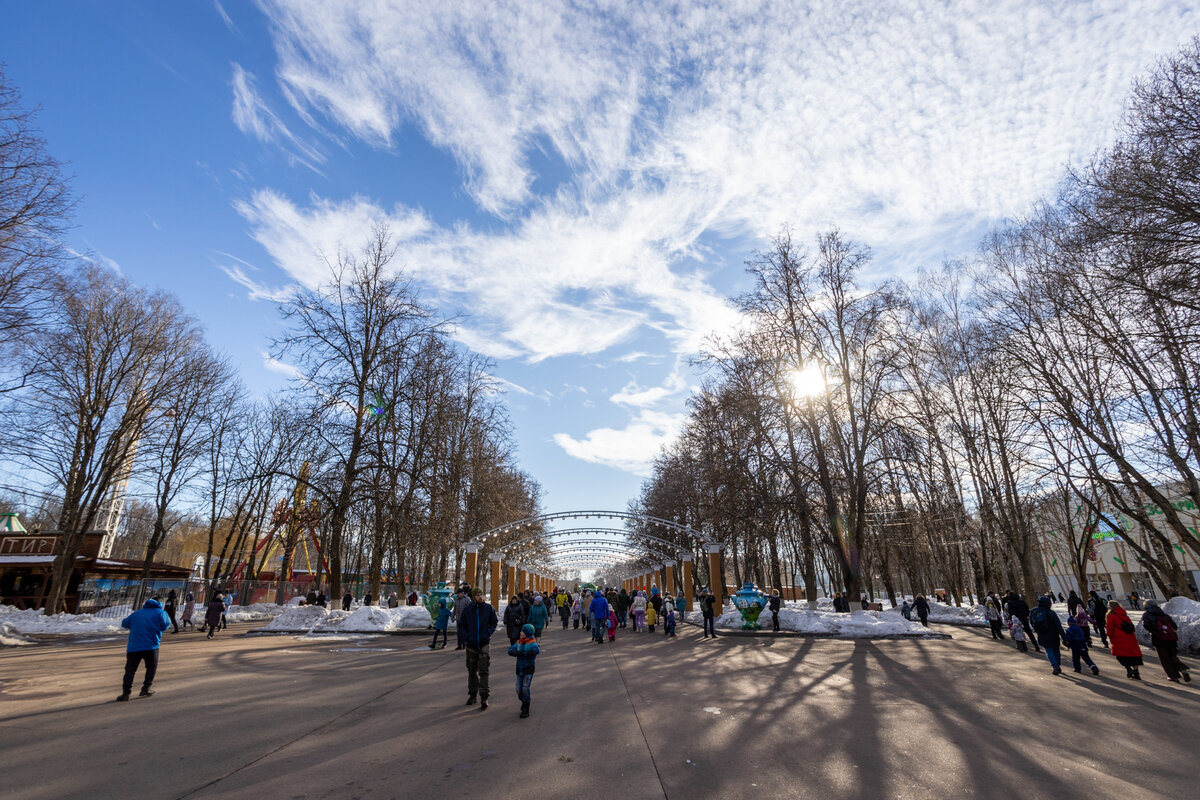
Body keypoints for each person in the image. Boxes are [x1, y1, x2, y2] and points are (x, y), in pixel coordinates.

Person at [117, 597, 171, 701]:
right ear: (159, 603)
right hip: (151, 646)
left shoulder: (137, 613)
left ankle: (126, 693)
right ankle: (146, 688)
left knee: (130, 670)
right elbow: (165, 625)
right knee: (151, 667)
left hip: (134, 646)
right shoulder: (161, 613)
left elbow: (124, 623)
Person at [458, 587, 498, 709]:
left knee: (484, 671)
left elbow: (494, 622)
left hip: (484, 643)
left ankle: (484, 697)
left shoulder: (488, 608)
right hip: (471, 645)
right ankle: (472, 694)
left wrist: (487, 633)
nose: (480, 597)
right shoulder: (467, 610)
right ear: (473, 596)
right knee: (471, 671)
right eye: (478, 595)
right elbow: (462, 625)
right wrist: (467, 637)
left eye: (481, 594)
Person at [1141, 600, 1190, 683]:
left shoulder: (1146, 615)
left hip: (1159, 640)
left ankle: (1173, 676)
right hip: (1171, 639)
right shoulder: (1163, 614)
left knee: (1165, 659)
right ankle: (1182, 668)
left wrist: (1154, 632)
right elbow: (1174, 626)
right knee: (1173, 656)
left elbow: (1147, 626)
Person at [508, 623, 540, 718]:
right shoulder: (519, 642)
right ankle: (524, 700)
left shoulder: (532, 642)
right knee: (518, 688)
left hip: (528, 669)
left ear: (527, 633)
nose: (521, 632)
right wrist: (515, 652)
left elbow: (536, 650)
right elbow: (510, 650)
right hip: (519, 669)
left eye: (523, 631)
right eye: (521, 631)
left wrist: (525, 653)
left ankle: (526, 708)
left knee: (525, 688)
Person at [1105, 600, 1144, 680]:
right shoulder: (1124, 614)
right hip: (1130, 637)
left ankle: (1129, 670)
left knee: (1121, 656)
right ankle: (1136, 672)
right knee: (1134, 656)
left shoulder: (1111, 616)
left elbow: (1109, 628)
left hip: (1118, 638)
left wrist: (1108, 635)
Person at [1030, 596, 1066, 675]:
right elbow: (1058, 625)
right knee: (1056, 650)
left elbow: (1032, 623)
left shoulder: (1034, 611)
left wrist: (1038, 630)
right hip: (1053, 634)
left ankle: (1055, 666)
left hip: (1042, 634)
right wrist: (1064, 637)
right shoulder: (1051, 613)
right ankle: (1058, 664)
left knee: (1048, 650)